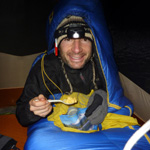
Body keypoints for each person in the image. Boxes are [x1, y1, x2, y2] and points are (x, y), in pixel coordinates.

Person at [16, 0, 150, 150]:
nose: (77, 49)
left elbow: (116, 100)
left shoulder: (102, 65)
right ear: (57, 44)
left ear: (95, 43)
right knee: (39, 143)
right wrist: (33, 109)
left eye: (85, 39)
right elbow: (22, 114)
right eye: (68, 39)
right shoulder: (44, 67)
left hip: (104, 128)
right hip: (60, 133)